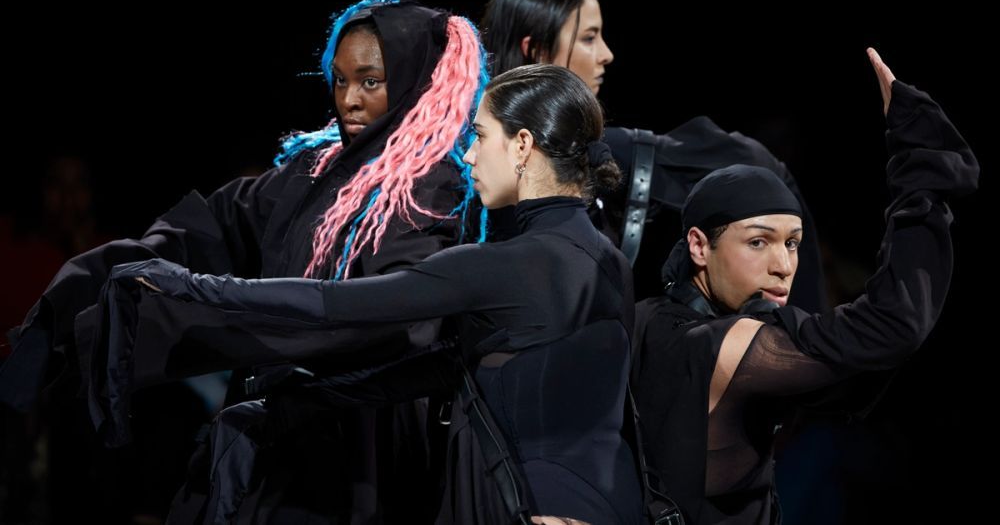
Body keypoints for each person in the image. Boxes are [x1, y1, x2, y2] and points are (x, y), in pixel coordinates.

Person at [0, 0, 489, 521]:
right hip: (278, 421)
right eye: (340, 80)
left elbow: (397, 319)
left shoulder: (434, 187)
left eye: (370, 81)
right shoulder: (313, 171)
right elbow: (209, 224)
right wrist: (80, 292)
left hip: (364, 435)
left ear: (416, 79)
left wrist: (240, 322)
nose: (349, 99)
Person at [97, 64, 645, 524]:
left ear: (522, 144)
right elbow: (452, 371)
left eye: (480, 137)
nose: (470, 157)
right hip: (612, 504)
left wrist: (191, 284)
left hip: (530, 508)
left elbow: (330, 304)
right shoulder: (612, 264)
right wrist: (299, 404)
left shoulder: (503, 265)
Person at [630, 48, 978, 524]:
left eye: (793, 243)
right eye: (758, 242)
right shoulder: (717, 344)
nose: (783, 266)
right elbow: (894, 322)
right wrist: (921, 171)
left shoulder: (649, 318)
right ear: (698, 245)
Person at [480, 0, 826, 311]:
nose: (606, 54)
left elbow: (761, 166)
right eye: (588, 38)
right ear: (537, 51)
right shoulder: (470, 163)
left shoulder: (605, 152)